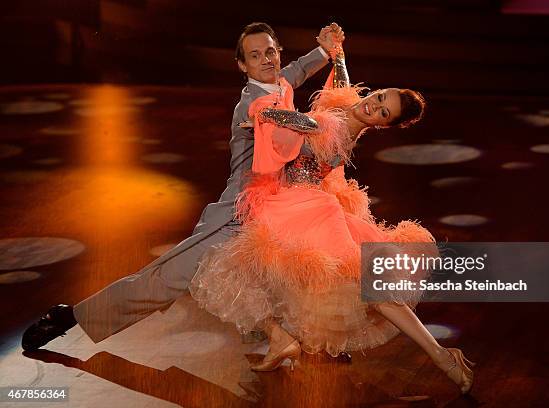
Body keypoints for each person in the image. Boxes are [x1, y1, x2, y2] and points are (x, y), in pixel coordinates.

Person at [189, 28, 475, 394]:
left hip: (298, 205)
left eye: (382, 112)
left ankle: (440, 357)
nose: (373, 105)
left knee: (359, 285)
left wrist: (266, 113)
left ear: (381, 126)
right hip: (298, 200)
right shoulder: (349, 106)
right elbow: (342, 83)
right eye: (379, 97)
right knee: (266, 274)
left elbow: (306, 123)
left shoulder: (338, 126)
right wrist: (335, 50)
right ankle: (281, 341)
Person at [21, 22, 339, 351]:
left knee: (299, 266)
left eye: (271, 51)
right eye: (255, 55)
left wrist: (325, 50)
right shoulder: (252, 105)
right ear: (242, 66)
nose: (267, 60)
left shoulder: (280, 83)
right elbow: (298, 125)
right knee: (166, 279)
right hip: (237, 215)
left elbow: (297, 71)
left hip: (275, 210)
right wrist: (332, 126)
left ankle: (310, 340)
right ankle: (71, 316)